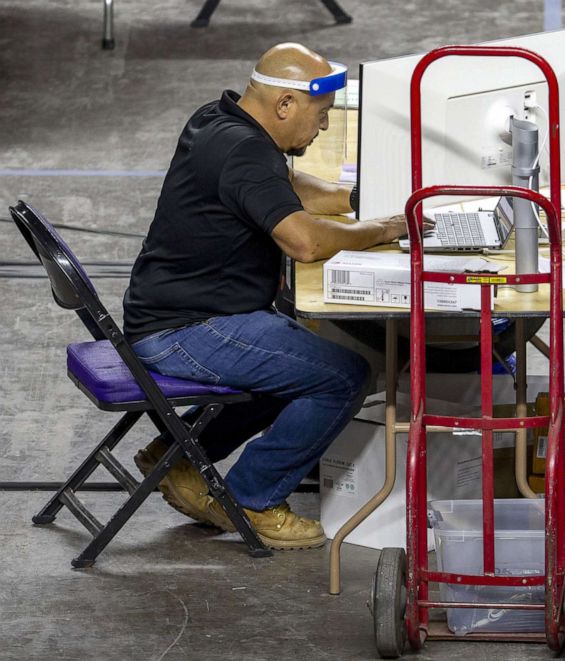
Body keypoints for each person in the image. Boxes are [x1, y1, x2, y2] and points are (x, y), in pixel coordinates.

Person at [123, 43, 414, 550]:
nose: (322, 127)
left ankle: (178, 455)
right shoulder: (245, 151)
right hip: (187, 331)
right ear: (284, 105)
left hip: (175, 314)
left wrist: (362, 198)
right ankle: (253, 499)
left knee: (294, 356)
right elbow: (304, 242)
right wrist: (381, 229)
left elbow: (285, 183)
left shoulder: (218, 120)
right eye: (320, 115)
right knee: (342, 377)